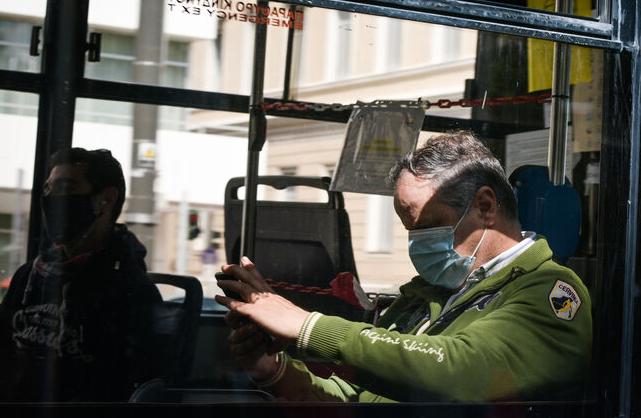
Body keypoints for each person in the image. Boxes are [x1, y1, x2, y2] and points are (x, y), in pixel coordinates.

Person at [217, 131, 593, 402]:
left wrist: (308, 327)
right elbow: (355, 399)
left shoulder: (549, 293)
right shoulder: (426, 294)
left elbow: (461, 372)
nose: (418, 243)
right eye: (410, 230)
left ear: (485, 207)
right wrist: (272, 369)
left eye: (428, 226)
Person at [0, 148, 163, 402]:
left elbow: (119, 386)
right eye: (48, 189)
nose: (51, 198)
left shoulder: (130, 289)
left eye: (65, 188)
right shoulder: (29, 276)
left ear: (106, 199)